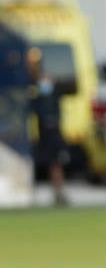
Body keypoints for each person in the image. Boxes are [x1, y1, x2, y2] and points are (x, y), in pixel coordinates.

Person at [27, 52, 68, 207]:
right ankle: (32, 196)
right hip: (37, 131)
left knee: (54, 162)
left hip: (49, 131)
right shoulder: (30, 83)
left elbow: (51, 105)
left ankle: (58, 193)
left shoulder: (45, 83)